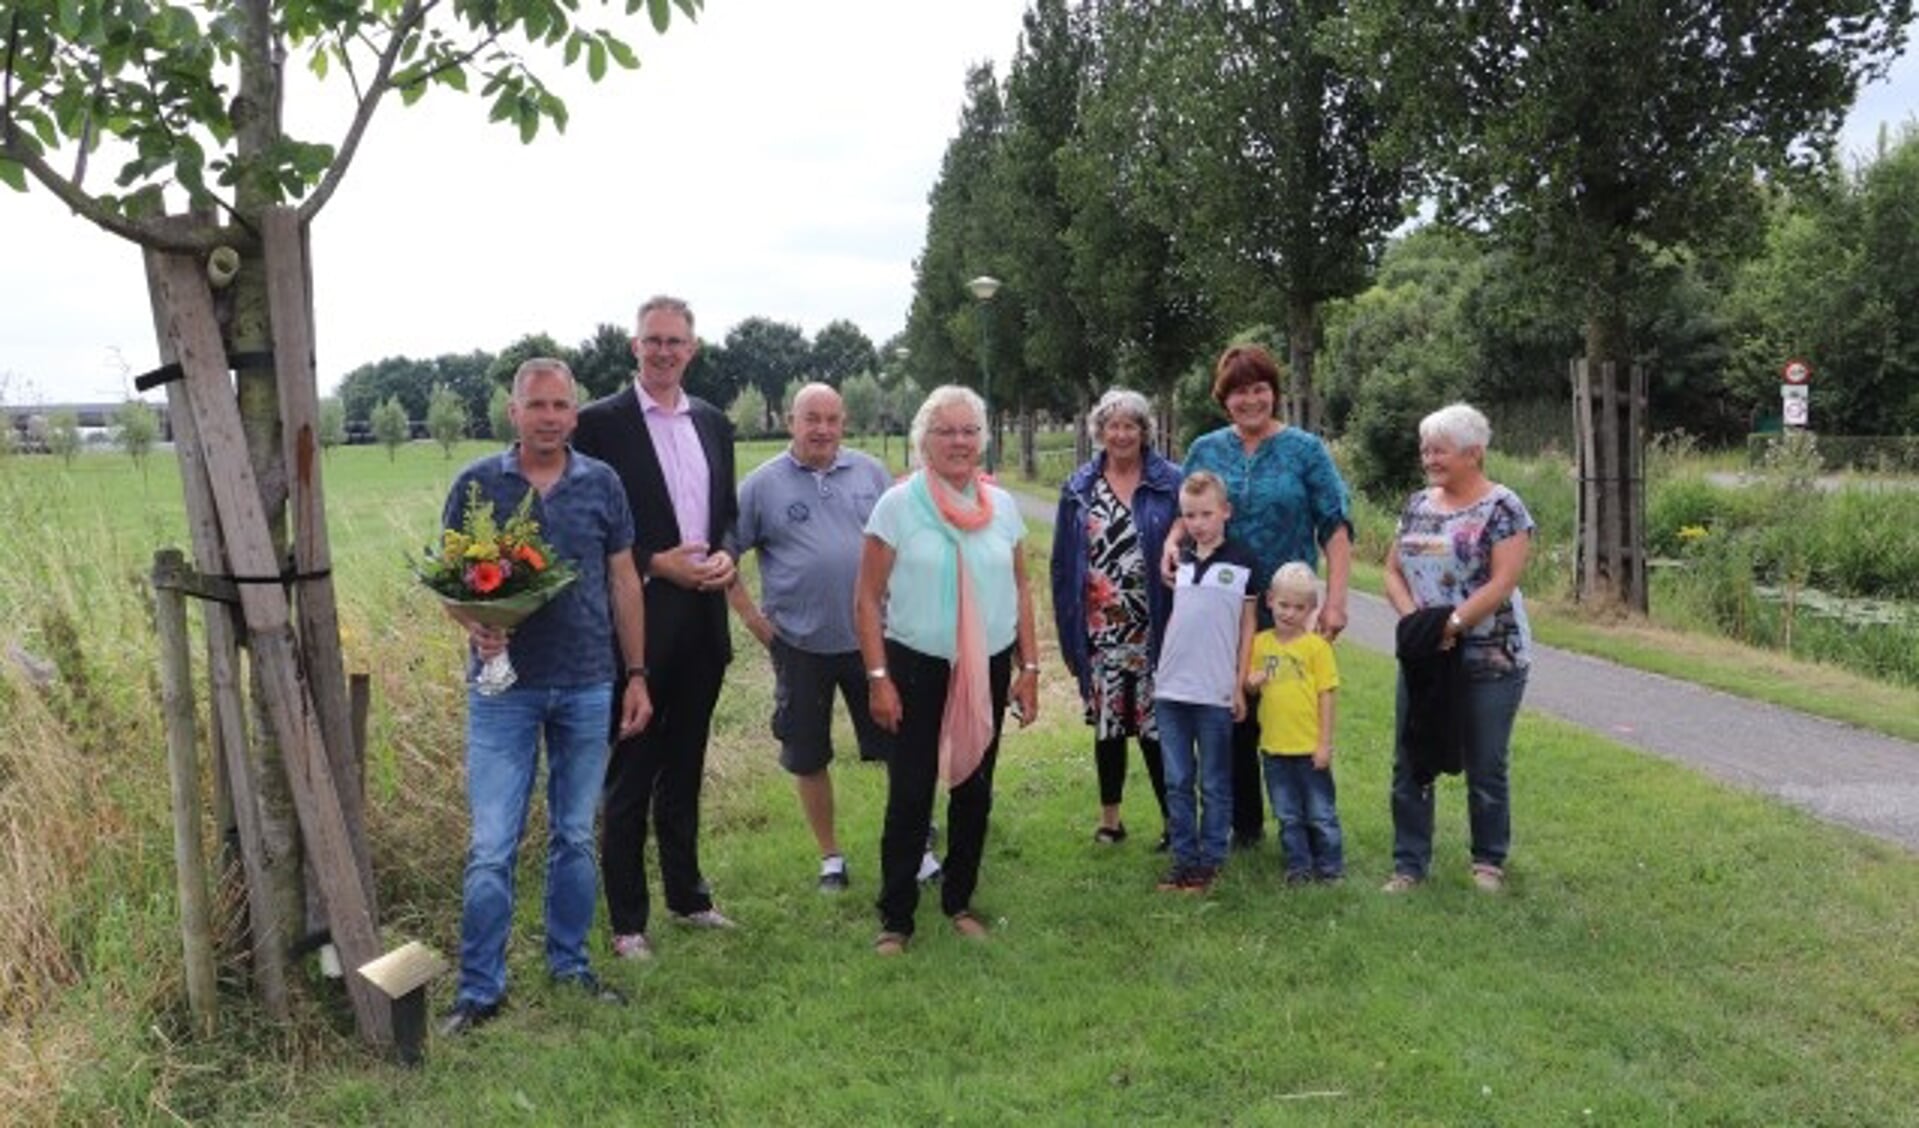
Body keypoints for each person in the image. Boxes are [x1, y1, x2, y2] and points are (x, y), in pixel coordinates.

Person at [438, 359, 654, 1037]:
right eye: (538, 405)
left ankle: (570, 967)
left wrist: (637, 673)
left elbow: (623, 581)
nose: (551, 416)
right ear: (514, 412)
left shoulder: (601, 483)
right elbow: (450, 581)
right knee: (493, 843)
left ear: (574, 413)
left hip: (588, 683)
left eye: (562, 405)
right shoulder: (477, 484)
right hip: (503, 692)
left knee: (573, 838)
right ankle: (479, 989)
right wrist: (473, 622)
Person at [575, 294, 740, 960]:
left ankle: (688, 897)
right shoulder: (598, 425)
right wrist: (652, 563)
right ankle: (627, 922)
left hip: (704, 616)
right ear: (633, 347)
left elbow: (724, 509)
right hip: (638, 619)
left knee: (685, 762)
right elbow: (580, 525)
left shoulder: (712, 421)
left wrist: (727, 549)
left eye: (676, 341)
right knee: (632, 770)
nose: (665, 351)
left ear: (693, 349)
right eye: (653, 341)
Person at [728, 383, 942, 893]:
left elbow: (905, 541)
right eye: (811, 419)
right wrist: (758, 624)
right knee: (808, 754)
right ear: (790, 421)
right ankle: (831, 859)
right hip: (800, 645)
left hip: (878, 640)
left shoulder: (870, 472)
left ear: (843, 422)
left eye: (831, 419)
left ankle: (917, 850)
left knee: (901, 748)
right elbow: (724, 559)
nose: (822, 429)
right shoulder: (760, 486)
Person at [854, 385, 1040, 955]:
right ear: (923, 441)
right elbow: (866, 598)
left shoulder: (1002, 507)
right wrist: (879, 679)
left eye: (969, 431)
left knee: (974, 789)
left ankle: (958, 899)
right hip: (915, 665)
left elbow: (1020, 586)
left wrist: (1029, 666)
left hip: (986, 664)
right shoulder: (898, 505)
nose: (959, 441)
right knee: (911, 792)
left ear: (981, 439)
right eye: (947, 431)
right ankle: (896, 917)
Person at [1171, 344, 1352, 852]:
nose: (1250, 400)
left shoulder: (1305, 450)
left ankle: (1313, 826)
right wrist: (1171, 543)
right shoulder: (1205, 449)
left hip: (1286, 613)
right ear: (1223, 399)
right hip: (1219, 609)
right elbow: (1184, 511)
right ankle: (1244, 826)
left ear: (1273, 392)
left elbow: (1336, 525)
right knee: (1231, 718)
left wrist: (1335, 601)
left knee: (1291, 713)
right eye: (1238, 392)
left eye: (1259, 389)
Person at [1382, 402, 1534, 895]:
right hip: (1427, 656)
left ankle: (1488, 862)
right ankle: (1409, 865)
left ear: (1474, 453)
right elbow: (1392, 571)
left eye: (1439, 450)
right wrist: (1419, 627)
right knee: (1412, 755)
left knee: (1485, 761)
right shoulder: (1416, 505)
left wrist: (1451, 624)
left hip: (1491, 655)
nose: (1429, 458)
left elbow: (1504, 580)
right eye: (1425, 449)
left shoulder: (1504, 507)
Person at [1051, 388, 1179, 848]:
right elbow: (1063, 566)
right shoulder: (1079, 487)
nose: (1121, 434)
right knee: (1108, 727)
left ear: (1145, 431)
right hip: (1101, 630)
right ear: (1100, 432)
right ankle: (1111, 821)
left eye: (1131, 425)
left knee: (1155, 728)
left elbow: (1194, 539)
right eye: (1113, 425)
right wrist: (1070, 637)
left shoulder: (1171, 483)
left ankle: (1174, 822)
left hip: (1157, 628)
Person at [1152, 471, 1258, 894]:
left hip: (1215, 692)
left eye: (1206, 514)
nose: (1198, 523)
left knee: (1214, 781)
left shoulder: (1243, 561)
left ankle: (1210, 860)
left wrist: (1237, 685)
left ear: (1225, 512)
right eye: (1189, 515)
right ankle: (1183, 859)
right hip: (1171, 688)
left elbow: (1248, 627)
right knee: (1177, 780)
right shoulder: (1179, 561)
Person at [1246, 562, 1343, 884]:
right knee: (1287, 814)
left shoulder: (1317, 648)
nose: (1289, 613)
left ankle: (1330, 869)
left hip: (1309, 748)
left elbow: (1327, 696)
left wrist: (1324, 744)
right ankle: (1298, 867)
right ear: (1270, 600)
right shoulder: (1260, 643)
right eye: (1283, 605)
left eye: (1298, 608)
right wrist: (1251, 681)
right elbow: (1247, 685)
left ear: (1311, 609)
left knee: (1321, 813)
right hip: (1274, 748)